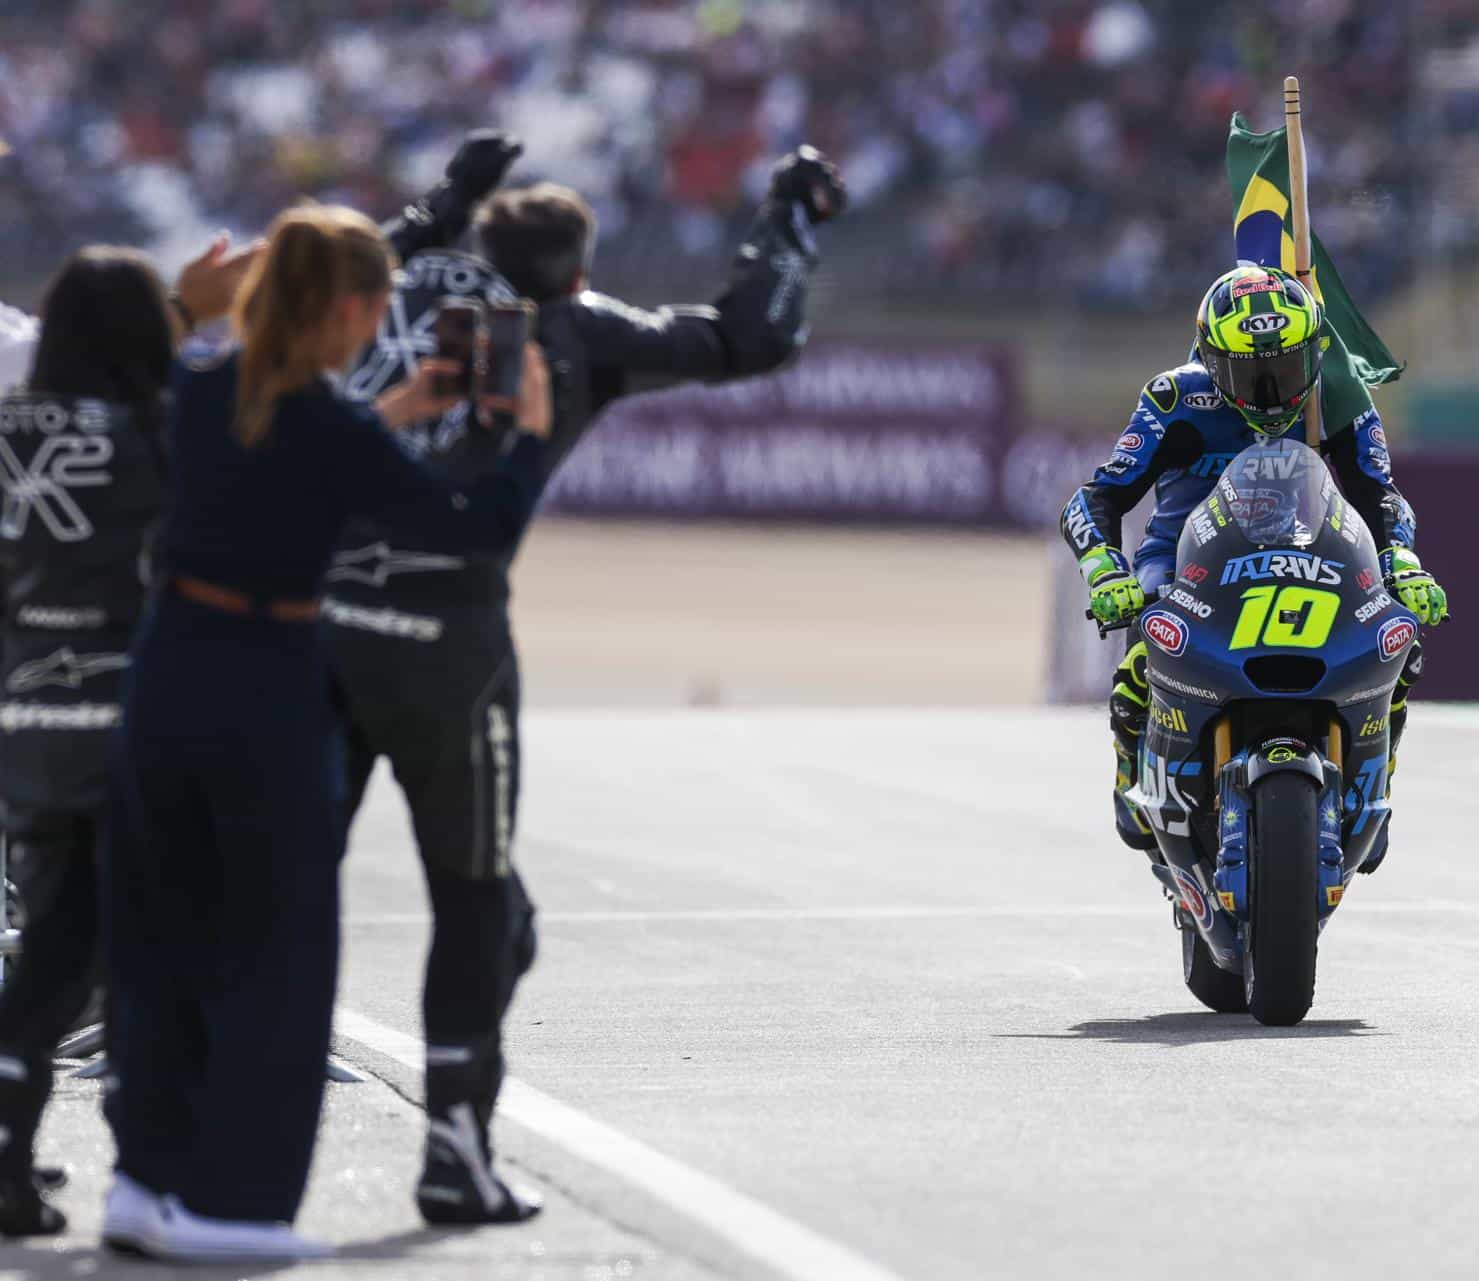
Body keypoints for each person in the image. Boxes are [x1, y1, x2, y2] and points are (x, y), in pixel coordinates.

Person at [325, 134, 846, 1224]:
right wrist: (789, 219)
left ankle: (187, 1111)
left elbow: (317, 271)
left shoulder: (388, 286)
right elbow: (750, 336)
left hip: (312, 627)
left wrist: (441, 203)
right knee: (482, 911)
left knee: (277, 875)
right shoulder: (572, 326)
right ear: (573, 268)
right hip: (447, 639)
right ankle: (453, 1153)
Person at [99, 204, 553, 1262]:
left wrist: (190, 306)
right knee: (275, 947)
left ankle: (142, 1180)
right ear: (348, 307)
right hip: (265, 684)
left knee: (159, 933)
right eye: (380, 302)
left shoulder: (205, 391)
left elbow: (196, 417)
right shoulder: (328, 428)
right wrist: (526, 439)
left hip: (167, 671)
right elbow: (473, 529)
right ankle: (234, 1206)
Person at [0, 235, 259, 1236]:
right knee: (121, 950)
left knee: (59, 942)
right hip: (133, 715)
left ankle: (16, 1153)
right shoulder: (166, 427)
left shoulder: (12, 427)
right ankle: (151, 1171)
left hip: (25, 718)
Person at [1059, 264, 1447, 854]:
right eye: (1250, 373)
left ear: (1314, 351)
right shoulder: (1176, 398)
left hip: (1313, 549)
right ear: (1213, 362)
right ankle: (1132, 766)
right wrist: (1104, 570)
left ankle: (1374, 780)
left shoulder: (1338, 396)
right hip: (1188, 558)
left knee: (1398, 640)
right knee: (1144, 653)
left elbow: (1380, 494)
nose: (1273, 391)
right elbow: (1097, 497)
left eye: (1286, 367)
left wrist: (1403, 562)